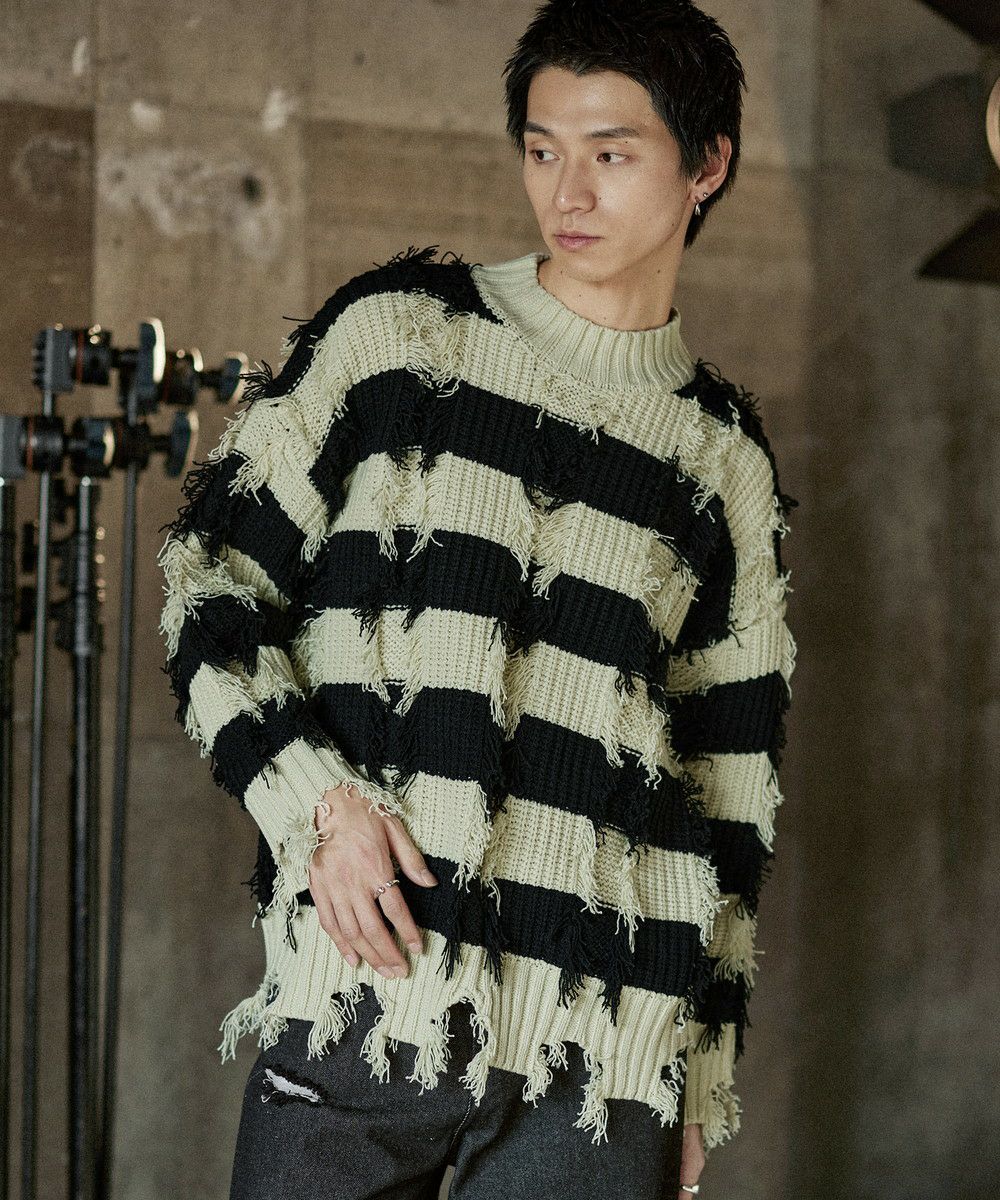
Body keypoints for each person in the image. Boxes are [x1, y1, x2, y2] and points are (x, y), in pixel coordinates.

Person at [156, 2, 797, 1197]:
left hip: (599, 1053)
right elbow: (210, 586)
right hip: (368, 993)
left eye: (612, 153)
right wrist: (321, 809)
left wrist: (694, 1076)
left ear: (706, 165)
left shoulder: (721, 461)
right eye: (542, 149)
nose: (567, 191)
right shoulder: (398, 340)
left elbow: (732, 791)